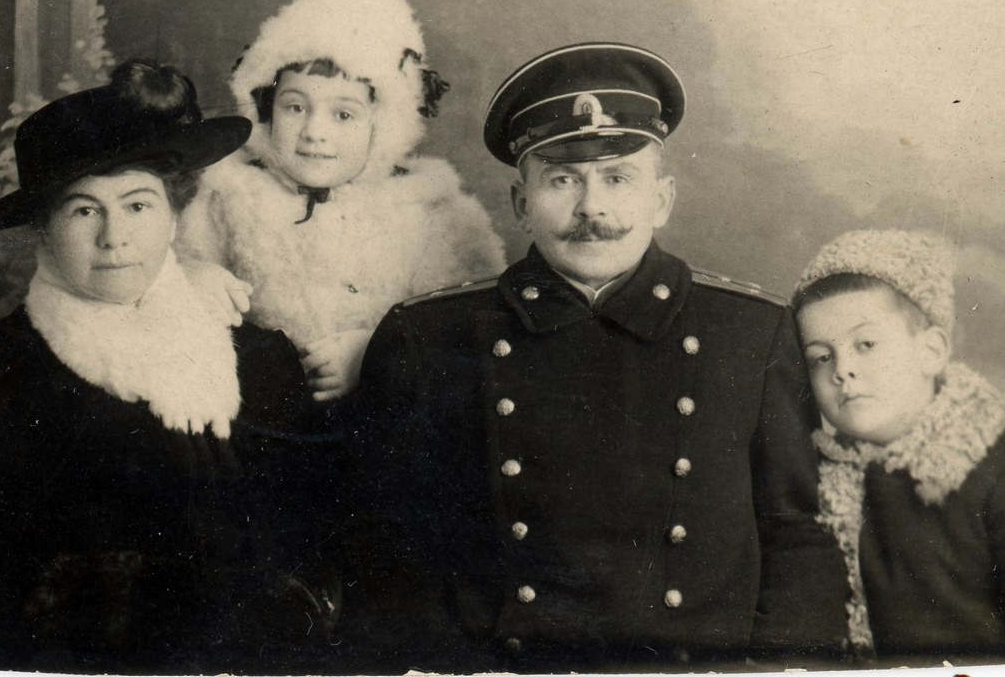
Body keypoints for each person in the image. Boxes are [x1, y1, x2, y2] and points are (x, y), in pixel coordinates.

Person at [353, 42, 849, 672]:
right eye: (562, 180)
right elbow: (385, 559)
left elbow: (798, 538)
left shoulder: (751, 332)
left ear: (661, 200)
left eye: (618, 178)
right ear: (521, 203)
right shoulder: (427, 339)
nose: (592, 207)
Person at [0, 60, 344, 674]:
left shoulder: (261, 362)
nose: (114, 237)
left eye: (138, 205)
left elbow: (318, 558)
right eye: (83, 210)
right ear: (43, 230)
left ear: (174, 215)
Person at [177, 0, 506, 402]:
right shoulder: (227, 195)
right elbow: (156, 276)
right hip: (260, 412)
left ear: (382, 125)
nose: (314, 132)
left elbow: (467, 337)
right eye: (296, 107)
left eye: (343, 115)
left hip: (385, 415)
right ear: (266, 109)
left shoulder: (432, 213)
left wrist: (378, 352)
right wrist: (191, 277)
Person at [792, 228, 1005, 665]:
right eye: (821, 356)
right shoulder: (820, 474)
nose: (843, 369)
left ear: (930, 351)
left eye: (866, 344)